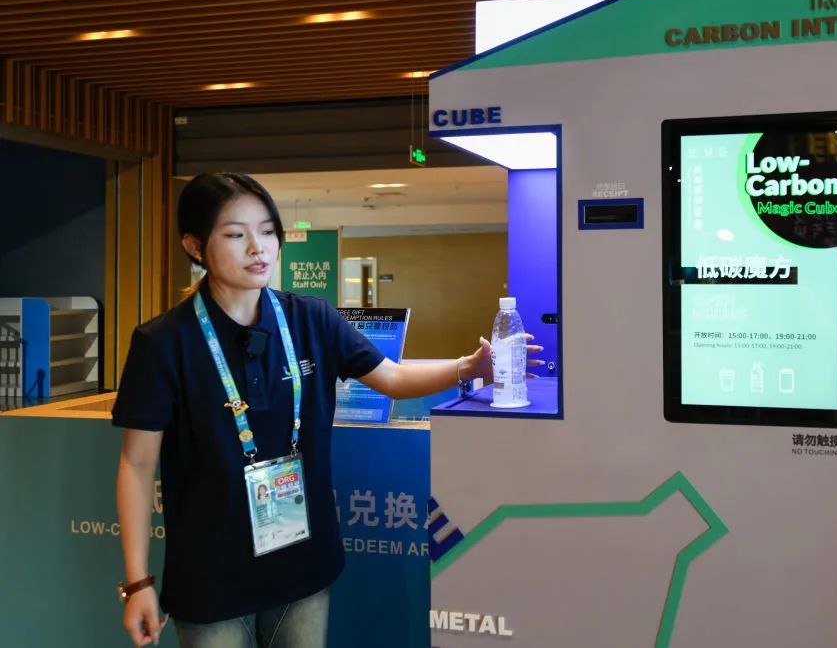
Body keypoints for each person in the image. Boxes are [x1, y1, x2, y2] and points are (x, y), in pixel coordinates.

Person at [113, 172, 541, 647]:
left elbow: (392, 378)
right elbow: (137, 465)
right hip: (209, 574)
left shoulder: (311, 318)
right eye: (235, 235)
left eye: (268, 231)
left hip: (301, 564)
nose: (258, 248)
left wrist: (470, 366)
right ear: (194, 246)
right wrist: (137, 583)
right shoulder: (163, 343)